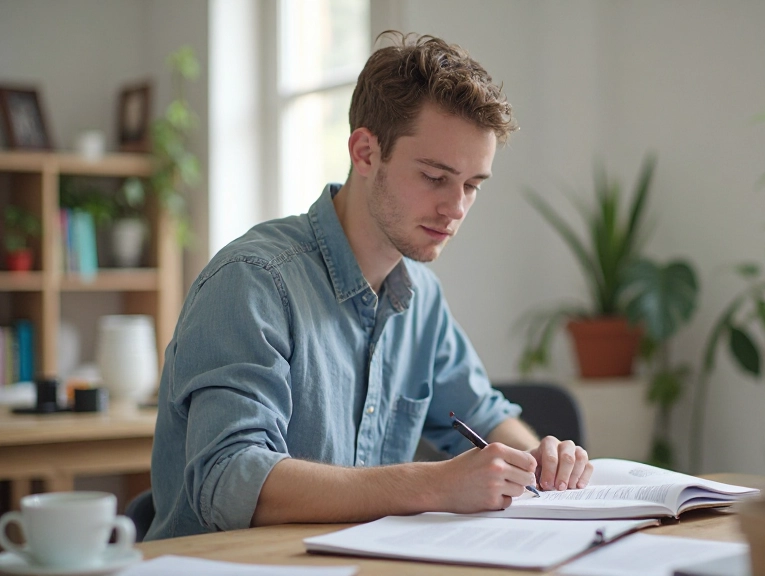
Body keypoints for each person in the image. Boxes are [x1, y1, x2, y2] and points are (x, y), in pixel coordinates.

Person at [146, 32, 593, 541]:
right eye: (434, 176)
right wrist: (433, 485)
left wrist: (537, 459)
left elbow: (485, 417)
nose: (457, 208)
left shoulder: (420, 300)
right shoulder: (252, 281)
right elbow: (228, 480)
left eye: (472, 185)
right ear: (365, 152)